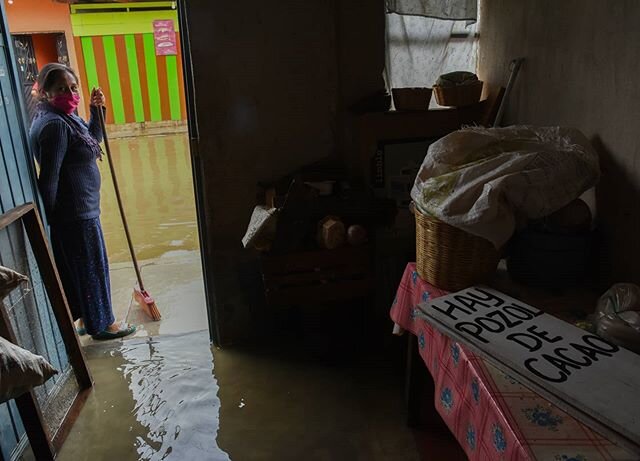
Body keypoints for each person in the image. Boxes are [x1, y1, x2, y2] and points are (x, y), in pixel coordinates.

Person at [29, 63, 136, 341]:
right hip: (74, 214)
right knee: (93, 270)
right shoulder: (54, 125)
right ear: (45, 93)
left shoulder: (65, 117)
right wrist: (50, 219)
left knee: (84, 269)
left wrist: (96, 110)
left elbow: (93, 139)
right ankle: (103, 325)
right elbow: (49, 178)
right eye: (61, 89)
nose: (70, 93)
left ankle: (87, 320)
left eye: (73, 87)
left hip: (81, 210)